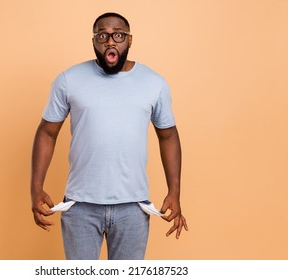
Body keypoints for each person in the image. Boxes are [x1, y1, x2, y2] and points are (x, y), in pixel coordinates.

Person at [31, 12, 188, 260]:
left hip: (133, 209)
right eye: (103, 35)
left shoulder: (153, 83)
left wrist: (174, 192)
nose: (111, 42)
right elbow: (47, 133)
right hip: (80, 206)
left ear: (130, 40)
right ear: (94, 41)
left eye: (118, 35)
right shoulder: (69, 80)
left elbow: (168, 136)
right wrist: (36, 188)